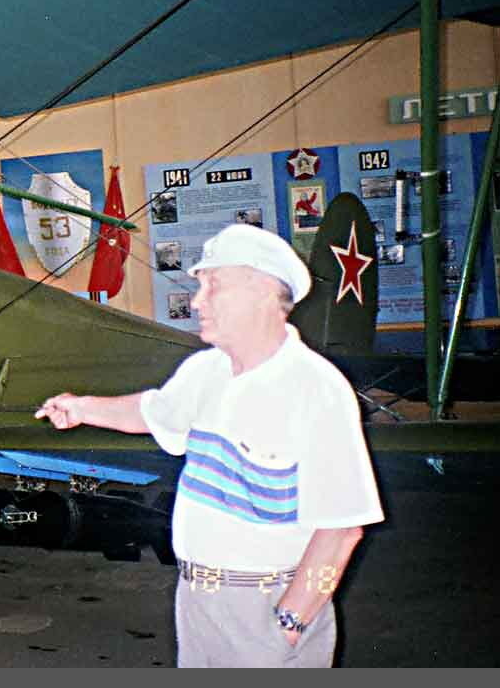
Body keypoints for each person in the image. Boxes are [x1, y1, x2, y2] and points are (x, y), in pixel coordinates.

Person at [36, 223, 382, 667]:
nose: (197, 301)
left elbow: (342, 528)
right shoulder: (206, 370)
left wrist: (289, 624)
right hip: (196, 599)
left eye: (213, 286)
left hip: (265, 605)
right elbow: (151, 412)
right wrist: (82, 408)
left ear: (262, 292)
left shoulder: (315, 388)